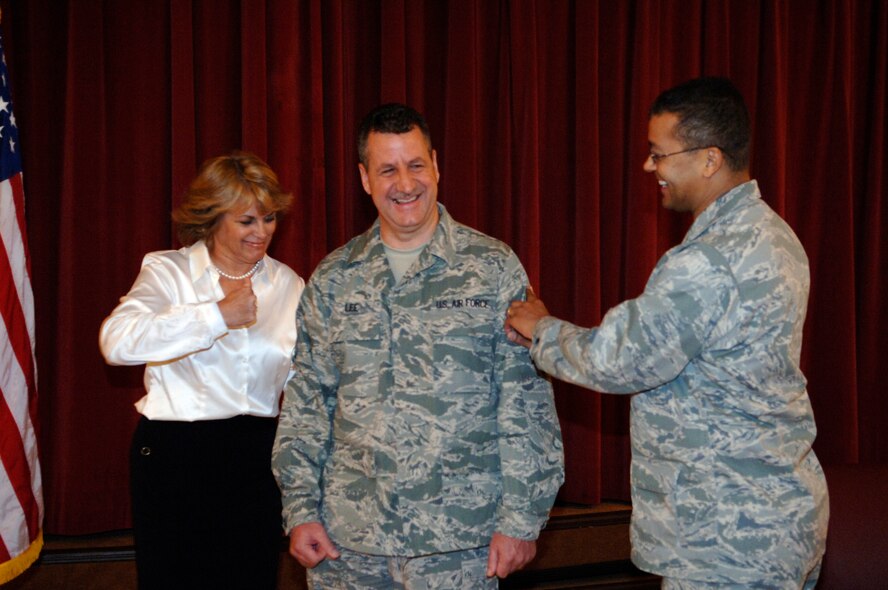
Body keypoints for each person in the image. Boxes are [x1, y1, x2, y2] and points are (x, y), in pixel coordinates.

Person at [505, 77, 829, 589]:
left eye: (659, 154)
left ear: (709, 159)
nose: (649, 167)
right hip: (780, 518)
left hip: (726, 538)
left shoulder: (706, 260)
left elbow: (618, 359)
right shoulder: (776, 234)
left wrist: (540, 327)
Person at [272, 103, 564, 588]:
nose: (405, 184)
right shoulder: (334, 278)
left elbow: (525, 399)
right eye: (387, 169)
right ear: (365, 178)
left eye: (415, 165)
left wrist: (521, 519)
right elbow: (308, 401)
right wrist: (300, 507)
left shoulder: (491, 267)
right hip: (349, 542)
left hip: (460, 542)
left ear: (436, 165)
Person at [99, 151, 304, 589]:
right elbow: (116, 342)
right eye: (246, 220)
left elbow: (301, 380)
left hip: (255, 458)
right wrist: (215, 317)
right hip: (176, 455)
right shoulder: (167, 271)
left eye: (269, 218)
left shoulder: (288, 284)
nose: (262, 231)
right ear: (212, 218)